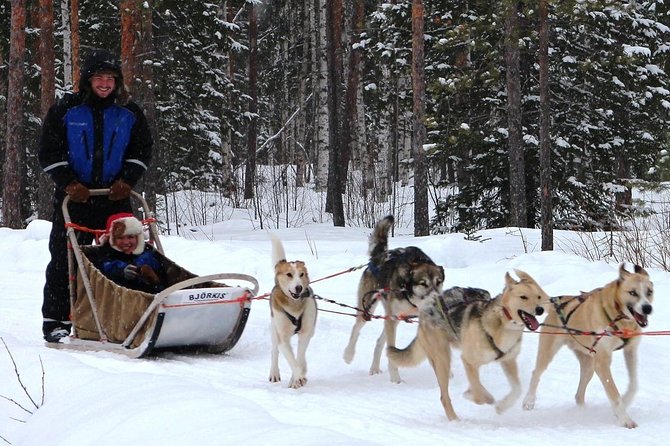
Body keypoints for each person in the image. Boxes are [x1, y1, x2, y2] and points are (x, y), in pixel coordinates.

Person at [39, 49, 153, 342]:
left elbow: (141, 150)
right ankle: (57, 321)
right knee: (66, 260)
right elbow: (48, 151)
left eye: (110, 79)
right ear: (87, 80)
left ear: (117, 82)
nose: (104, 84)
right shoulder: (67, 109)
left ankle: (132, 312)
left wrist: (127, 180)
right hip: (74, 198)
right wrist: (68, 182)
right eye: (98, 78)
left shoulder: (129, 111)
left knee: (127, 253)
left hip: (114, 197)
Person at [88, 213, 164, 294]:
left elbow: (163, 280)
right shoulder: (104, 254)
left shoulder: (148, 254)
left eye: (130, 237)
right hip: (116, 299)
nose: (126, 242)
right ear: (112, 239)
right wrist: (121, 272)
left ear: (137, 238)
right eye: (120, 238)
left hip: (150, 298)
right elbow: (105, 269)